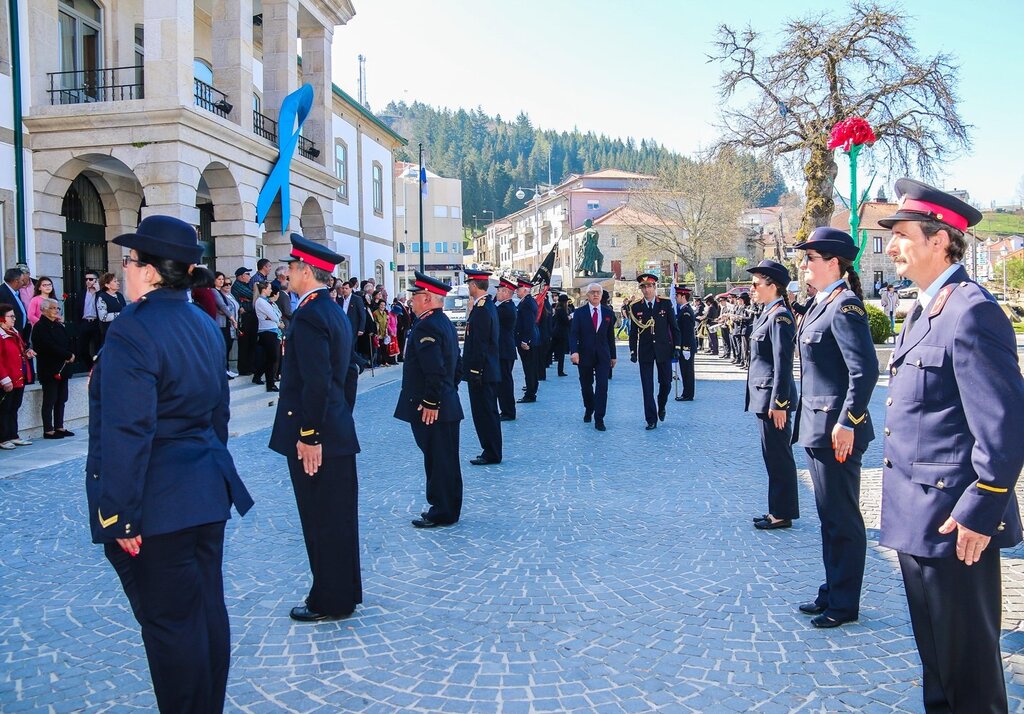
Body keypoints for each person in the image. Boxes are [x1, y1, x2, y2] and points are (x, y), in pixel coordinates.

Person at [86, 215, 253, 712]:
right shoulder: (202, 322)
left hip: (156, 504)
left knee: (170, 626)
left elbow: (127, 430)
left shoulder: (132, 329)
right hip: (205, 490)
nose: (126, 268)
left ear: (153, 271)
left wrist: (118, 513)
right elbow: (217, 416)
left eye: (131, 260)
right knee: (205, 613)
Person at [877, 179, 1024, 712]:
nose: (891, 245)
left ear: (940, 240)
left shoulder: (971, 311)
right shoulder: (927, 308)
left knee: (970, 676)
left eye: (901, 235)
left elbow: (1005, 429)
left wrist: (980, 511)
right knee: (939, 665)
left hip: (955, 523)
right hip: (921, 518)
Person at [269, 233, 362, 622]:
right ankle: (344, 592)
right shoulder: (334, 311)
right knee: (337, 518)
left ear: (306, 271)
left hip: (317, 437)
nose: (286, 274)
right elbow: (349, 375)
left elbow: (316, 382)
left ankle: (329, 600)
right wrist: (339, 420)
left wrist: (310, 434)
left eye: (291, 268)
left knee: (322, 519)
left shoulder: (309, 315)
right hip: (336, 429)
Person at [792, 226, 879, 628]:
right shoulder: (819, 304)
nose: (805, 265)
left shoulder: (845, 306)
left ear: (832, 263)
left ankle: (844, 605)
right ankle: (832, 590)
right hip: (816, 426)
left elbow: (865, 371)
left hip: (836, 431)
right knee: (830, 517)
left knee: (842, 518)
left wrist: (848, 422)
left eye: (811, 258)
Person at [395, 271, 463, 528]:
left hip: (432, 408)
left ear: (426, 298)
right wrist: (447, 393)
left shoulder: (427, 325)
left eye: (415, 297)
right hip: (445, 403)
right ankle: (448, 507)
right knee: (444, 458)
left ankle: (442, 511)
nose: (411, 302)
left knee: (439, 459)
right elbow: (456, 365)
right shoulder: (441, 321)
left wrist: (433, 401)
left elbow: (434, 369)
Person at [745, 260, 799, 531]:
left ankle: (782, 513)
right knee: (772, 455)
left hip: (772, 400)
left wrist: (780, 403)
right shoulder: (767, 313)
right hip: (763, 397)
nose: (751, 289)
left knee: (779, 455)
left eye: (756, 284)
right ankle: (777, 508)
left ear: (773, 286)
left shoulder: (779, 317)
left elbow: (783, 363)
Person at [627, 274, 678, 430]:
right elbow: (633, 331)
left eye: (649, 286)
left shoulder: (665, 304)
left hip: (664, 349)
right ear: (641, 289)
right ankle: (651, 419)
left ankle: (661, 404)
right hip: (646, 350)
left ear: (655, 287)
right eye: (643, 287)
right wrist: (632, 351)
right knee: (647, 386)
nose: (647, 289)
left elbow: (674, 327)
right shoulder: (636, 307)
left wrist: (676, 347)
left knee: (666, 383)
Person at [462, 269, 502, 465]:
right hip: (487, 370)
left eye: (469, 284)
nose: (468, 287)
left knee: (484, 413)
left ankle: (491, 452)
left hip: (482, 372)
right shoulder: (486, 306)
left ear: (474, 286)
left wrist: (475, 371)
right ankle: (491, 450)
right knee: (488, 412)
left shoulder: (482, 309)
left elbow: (480, 344)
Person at [569, 282, 617, 431]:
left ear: (601, 295)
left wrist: (613, 356)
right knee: (586, 385)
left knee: (603, 386)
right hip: (584, 355)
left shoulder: (608, 313)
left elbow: (610, 337)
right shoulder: (580, 312)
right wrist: (574, 351)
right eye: (593, 292)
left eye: (598, 292)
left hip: (603, 355)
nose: (596, 294)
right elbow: (573, 334)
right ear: (587, 295)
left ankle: (599, 418)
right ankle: (589, 407)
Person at [31, 298, 76, 439]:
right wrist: (67, 354)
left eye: (57, 308)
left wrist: (71, 354)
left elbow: (68, 341)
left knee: (61, 398)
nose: (56, 311)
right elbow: (47, 346)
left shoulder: (58, 326)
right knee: (50, 398)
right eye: (53, 308)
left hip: (63, 367)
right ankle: (48, 429)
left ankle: (59, 426)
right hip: (49, 368)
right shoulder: (39, 327)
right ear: (44, 310)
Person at [0, 304, 32, 449]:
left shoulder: (14, 332)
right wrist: (4, 378)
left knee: (14, 407)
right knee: (4, 408)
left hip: (18, 376)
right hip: (7, 378)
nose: (14, 319)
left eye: (14, 316)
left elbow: (19, 350)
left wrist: (26, 353)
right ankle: (3, 437)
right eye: (10, 316)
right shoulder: (1, 335)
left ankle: (13, 434)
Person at [337, 280, 367, 408]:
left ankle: (358, 362)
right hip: (342, 329)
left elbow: (362, 314)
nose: (344, 290)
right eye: (343, 288)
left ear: (350, 289)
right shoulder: (339, 300)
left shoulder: (356, 299)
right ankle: (360, 362)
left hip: (353, 329)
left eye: (346, 288)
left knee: (348, 349)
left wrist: (361, 328)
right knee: (346, 349)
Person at [494, 277, 519, 421]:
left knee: (505, 383)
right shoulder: (504, 306)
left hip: (504, 350)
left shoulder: (505, 308)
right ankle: (506, 410)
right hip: (505, 349)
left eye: (499, 290)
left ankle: (508, 411)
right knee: (504, 382)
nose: (497, 293)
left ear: (506, 292)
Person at [252, 282, 283, 392]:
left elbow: (276, 315)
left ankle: (258, 375)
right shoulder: (261, 302)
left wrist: (275, 319)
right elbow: (274, 316)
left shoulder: (265, 301)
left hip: (271, 331)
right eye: (269, 288)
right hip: (267, 332)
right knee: (272, 358)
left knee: (271, 357)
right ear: (264, 289)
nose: (271, 291)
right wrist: (276, 321)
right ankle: (270, 383)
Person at [514, 278, 539, 403]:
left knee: (529, 368)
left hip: (527, 340)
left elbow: (528, 323)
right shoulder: (527, 301)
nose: (516, 292)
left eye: (518, 289)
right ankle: (531, 389)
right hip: (529, 339)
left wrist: (525, 340)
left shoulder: (527, 303)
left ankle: (530, 393)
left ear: (524, 290)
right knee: (530, 367)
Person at [213, 272, 239, 378]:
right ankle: (223, 369)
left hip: (226, 322)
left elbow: (228, 306)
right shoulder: (214, 291)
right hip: (220, 323)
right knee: (223, 346)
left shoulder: (221, 293)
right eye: (219, 279)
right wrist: (232, 318)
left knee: (228, 345)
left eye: (222, 279)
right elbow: (222, 306)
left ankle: (226, 368)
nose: (221, 281)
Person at [231, 267, 257, 375]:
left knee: (252, 342)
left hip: (251, 316)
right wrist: (252, 297)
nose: (249, 277)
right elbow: (253, 295)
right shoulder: (237, 285)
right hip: (244, 318)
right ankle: (244, 368)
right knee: (245, 343)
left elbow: (256, 297)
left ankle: (250, 366)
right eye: (247, 274)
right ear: (241, 276)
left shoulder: (246, 285)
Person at [672, 285, 696, 401]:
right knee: (685, 371)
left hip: (687, 347)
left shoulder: (686, 312)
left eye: (677, 295)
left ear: (683, 296)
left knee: (687, 372)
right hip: (684, 346)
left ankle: (688, 394)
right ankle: (686, 392)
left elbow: (686, 333)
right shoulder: (683, 310)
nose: (675, 297)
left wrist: (685, 348)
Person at [76, 270, 101, 367]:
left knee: (98, 348)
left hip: (96, 323)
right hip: (84, 323)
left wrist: (98, 292)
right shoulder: (82, 293)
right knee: (82, 350)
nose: (88, 281)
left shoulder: (101, 293)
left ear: (96, 280)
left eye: (91, 279)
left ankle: (98, 368)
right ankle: (91, 368)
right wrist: (78, 325)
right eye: (86, 279)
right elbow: (77, 310)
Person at [95, 273, 127, 345]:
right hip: (109, 332)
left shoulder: (120, 295)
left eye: (117, 281)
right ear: (107, 285)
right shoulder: (102, 297)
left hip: (121, 331)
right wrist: (120, 314)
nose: (118, 283)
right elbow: (103, 317)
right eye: (115, 281)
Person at [2, 268, 31, 343]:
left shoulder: (16, 292)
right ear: (16, 281)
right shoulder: (2, 293)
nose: (23, 283)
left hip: (20, 334)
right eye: (22, 280)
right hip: (9, 336)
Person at [551, 293, 571, 376]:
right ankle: (560, 371)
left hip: (556, 332)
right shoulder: (562, 310)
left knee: (551, 350)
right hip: (561, 333)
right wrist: (569, 317)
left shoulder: (557, 309)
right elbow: (565, 321)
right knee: (561, 353)